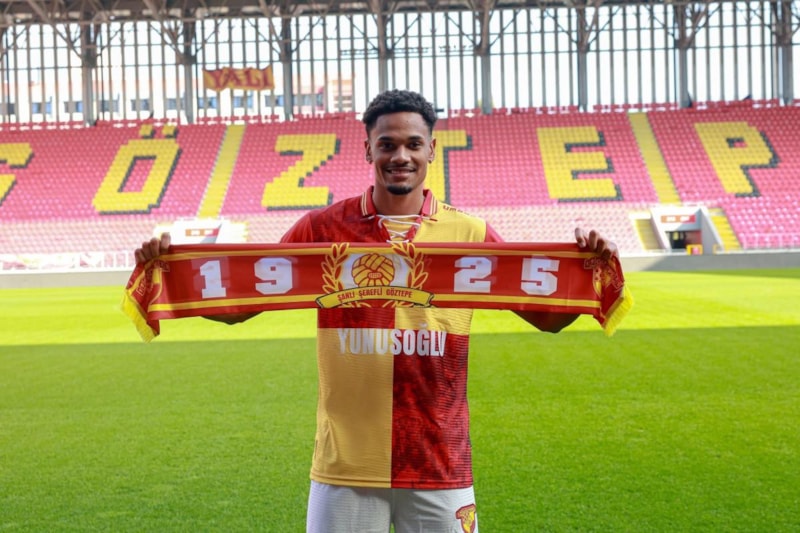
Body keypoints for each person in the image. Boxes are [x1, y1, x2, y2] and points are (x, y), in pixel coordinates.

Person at [134, 89, 618, 533]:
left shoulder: (469, 234)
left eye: (413, 144)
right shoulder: (322, 229)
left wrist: (590, 267)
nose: (400, 156)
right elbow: (242, 305)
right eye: (387, 144)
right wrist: (170, 268)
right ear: (368, 150)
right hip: (345, 465)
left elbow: (546, 319)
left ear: (432, 150)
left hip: (440, 462)